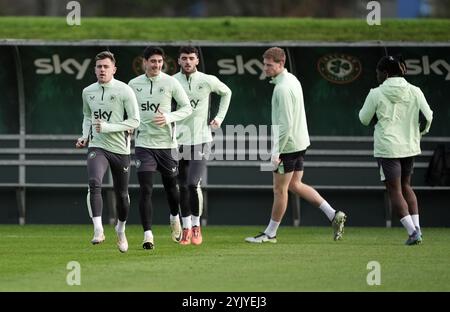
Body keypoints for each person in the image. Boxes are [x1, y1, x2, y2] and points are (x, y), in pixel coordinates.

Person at [245, 47, 347, 244]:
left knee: (279, 190)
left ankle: (270, 233)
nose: (265, 68)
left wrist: (276, 151)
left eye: (269, 65)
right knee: (294, 185)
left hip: (289, 146)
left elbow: (286, 125)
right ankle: (333, 214)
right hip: (300, 143)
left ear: (281, 63)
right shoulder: (292, 80)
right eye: (264, 64)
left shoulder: (282, 88)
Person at [359, 55, 433, 245]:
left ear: (384, 73)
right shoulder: (415, 91)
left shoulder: (375, 93)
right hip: (410, 146)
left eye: (377, 72)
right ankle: (418, 230)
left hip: (388, 148)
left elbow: (364, 119)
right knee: (406, 186)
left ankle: (412, 233)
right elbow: (429, 116)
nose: (376, 75)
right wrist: (420, 132)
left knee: (394, 190)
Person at [128, 46, 192, 250]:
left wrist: (169, 117)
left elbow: (187, 108)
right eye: (152, 61)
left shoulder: (171, 82)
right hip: (144, 145)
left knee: (171, 188)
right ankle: (148, 235)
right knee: (145, 189)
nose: (156, 65)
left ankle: (174, 217)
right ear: (144, 62)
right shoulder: (133, 84)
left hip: (167, 145)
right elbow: (127, 111)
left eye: (159, 62)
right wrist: (128, 127)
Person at [76, 51, 140, 253]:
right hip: (98, 146)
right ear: (94, 69)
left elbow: (135, 121)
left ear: (114, 69)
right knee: (94, 182)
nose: (102, 70)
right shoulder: (88, 91)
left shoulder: (125, 90)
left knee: (122, 195)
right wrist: (84, 136)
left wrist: (108, 127)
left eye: (106, 66)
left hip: (120, 150)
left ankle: (120, 230)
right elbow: (88, 116)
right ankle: (98, 229)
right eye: (99, 67)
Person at [173, 46, 232, 245]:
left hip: (200, 139)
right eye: (184, 58)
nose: (188, 62)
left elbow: (226, 93)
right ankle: (186, 228)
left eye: (191, 58)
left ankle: (197, 227)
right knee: (182, 186)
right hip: (177, 141)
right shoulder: (172, 81)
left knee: (192, 183)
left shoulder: (207, 80)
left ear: (197, 60)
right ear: (179, 61)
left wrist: (219, 118)